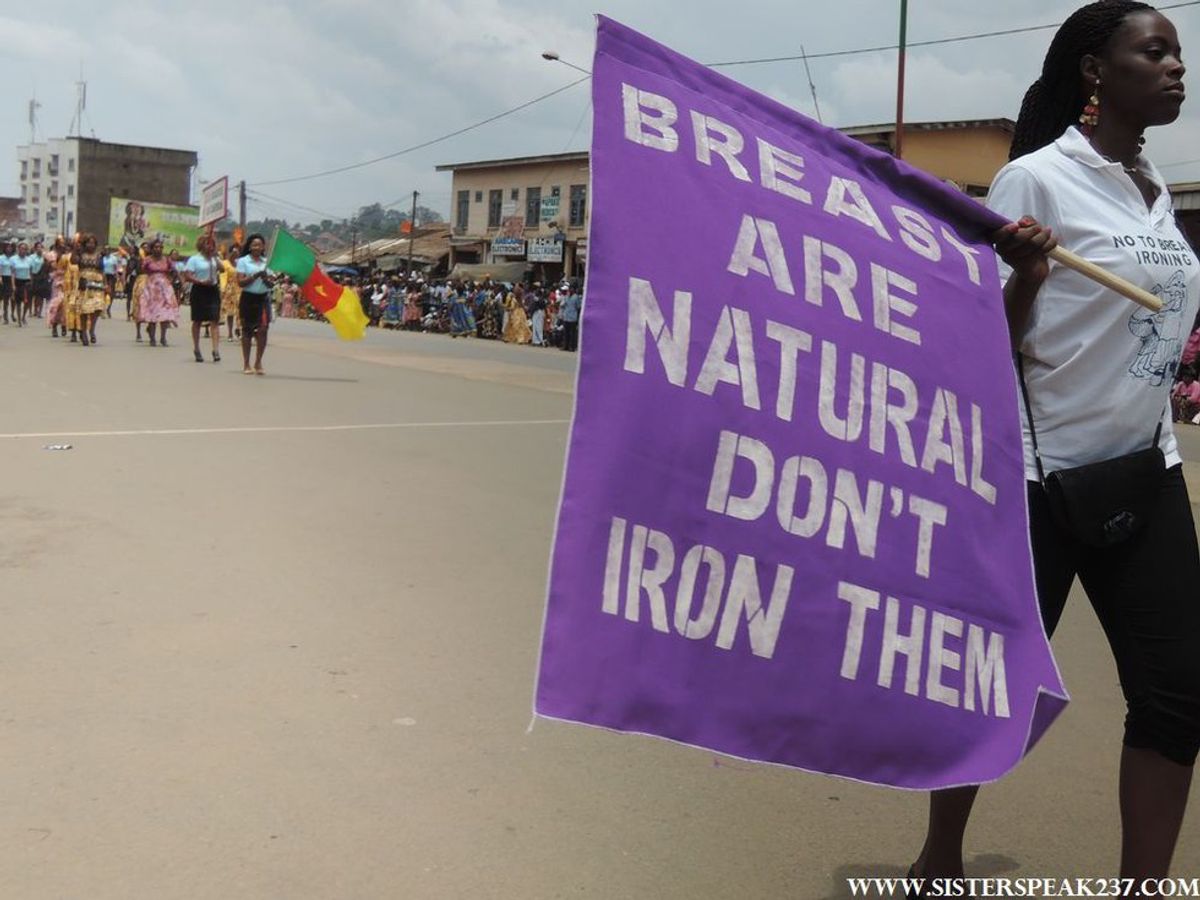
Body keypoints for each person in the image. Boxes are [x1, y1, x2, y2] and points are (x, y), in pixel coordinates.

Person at [908, 1, 1199, 885]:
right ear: (1095, 72)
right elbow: (978, 345)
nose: (1178, 68)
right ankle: (939, 859)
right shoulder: (1036, 181)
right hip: (1035, 484)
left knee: (1178, 698)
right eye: (1157, 52)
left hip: (1148, 475)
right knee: (996, 689)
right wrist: (1028, 277)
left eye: (1179, 54)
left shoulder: (1154, 192)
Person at [236, 233, 273, 375]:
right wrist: (255, 275)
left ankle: (258, 361)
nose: (257, 247)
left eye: (260, 244)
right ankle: (246, 363)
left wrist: (265, 279)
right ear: (250, 247)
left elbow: (271, 284)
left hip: (263, 299)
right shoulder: (243, 261)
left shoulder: (267, 262)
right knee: (247, 331)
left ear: (263, 247)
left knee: (263, 330)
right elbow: (240, 282)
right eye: (254, 244)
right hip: (248, 299)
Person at [183, 234, 222, 363]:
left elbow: (222, 269)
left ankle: (215, 349)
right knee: (197, 320)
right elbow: (187, 276)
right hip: (199, 290)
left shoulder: (214, 259)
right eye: (207, 244)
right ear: (201, 245)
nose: (210, 246)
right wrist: (200, 281)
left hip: (213, 290)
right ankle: (197, 348)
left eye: (211, 244)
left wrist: (215, 257)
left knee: (214, 320)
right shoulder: (194, 259)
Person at [139, 238, 179, 347]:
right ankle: (152, 337)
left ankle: (163, 337)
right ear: (152, 248)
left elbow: (175, 271)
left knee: (165, 313)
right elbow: (142, 270)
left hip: (165, 288)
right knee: (152, 313)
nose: (158, 249)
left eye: (161, 247)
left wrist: (171, 279)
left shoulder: (166, 260)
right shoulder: (147, 260)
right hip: (151, 288)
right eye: (156, 247)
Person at [73, 234, 107, 346]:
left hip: (97, 282)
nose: (90, 245)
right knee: (84, 309)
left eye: (93, 243)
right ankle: (83, 332)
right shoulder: (80, 255)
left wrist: (106, 284)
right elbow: (73, 261)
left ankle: (92, 329)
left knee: (97, 307)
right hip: (84, 282)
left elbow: (102, 270)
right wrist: (75, 249)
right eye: (88, 242)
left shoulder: (99, 256)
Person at [220, 244, 241, 342]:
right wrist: (223, 289)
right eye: (234, 252)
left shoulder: (241, 263)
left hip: (240, 288)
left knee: (240, 311)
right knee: (230, 312)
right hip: (230, 289)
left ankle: (239, 329)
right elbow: (223, 276)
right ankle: (229, 333)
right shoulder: (225, 263)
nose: (235, 254)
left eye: (237, 252)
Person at [10, 242, 33, 328]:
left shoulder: (29, 260)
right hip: (18, 281)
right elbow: (12, 273)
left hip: (26, 282)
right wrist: (13, 285)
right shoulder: (13, 259)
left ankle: (24, 316)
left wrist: (31, 282)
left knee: (27, 302)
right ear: (18, 249)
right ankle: (19, 319)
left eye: (25, 249)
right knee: (18, 302)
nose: (23, 250)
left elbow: (30, 272)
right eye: (21, 248)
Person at [559, 283, 581, 352]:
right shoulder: (566, 297)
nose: (570, 290)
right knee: (566, 333)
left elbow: (578, 307)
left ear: (574, 290)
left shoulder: (576, 297)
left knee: (572, 334)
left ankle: (572, 347)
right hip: (566, 317)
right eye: (569, 289)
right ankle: (565, 346)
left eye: (571, 289)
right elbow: (563, 305)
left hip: (573, 318)